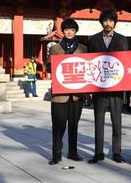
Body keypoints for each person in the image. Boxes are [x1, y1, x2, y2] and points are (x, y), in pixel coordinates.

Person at [87, 9, 129, 164]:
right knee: (98, 121)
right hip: (99, 88)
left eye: (111, 20)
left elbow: (126, 62)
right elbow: (90, 63)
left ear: (115, 22)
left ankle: (117, 152)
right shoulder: (93, 39)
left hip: (117, 88)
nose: (108, 23)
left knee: (117, 121)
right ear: (101, 22)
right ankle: (98, 153)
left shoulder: (123, 39)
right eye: (105, 20)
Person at [47, 18, 87, 165]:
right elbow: (48, 67)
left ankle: (73, 152)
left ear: (76, 31)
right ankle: (56, 154)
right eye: (66, 30)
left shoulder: (83, 49)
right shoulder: (54, 48)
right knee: (58, 125)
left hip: (76, 95)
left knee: (74, 125)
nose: (69, 32)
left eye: (72, 30)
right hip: (59, 95)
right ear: (62, 32)